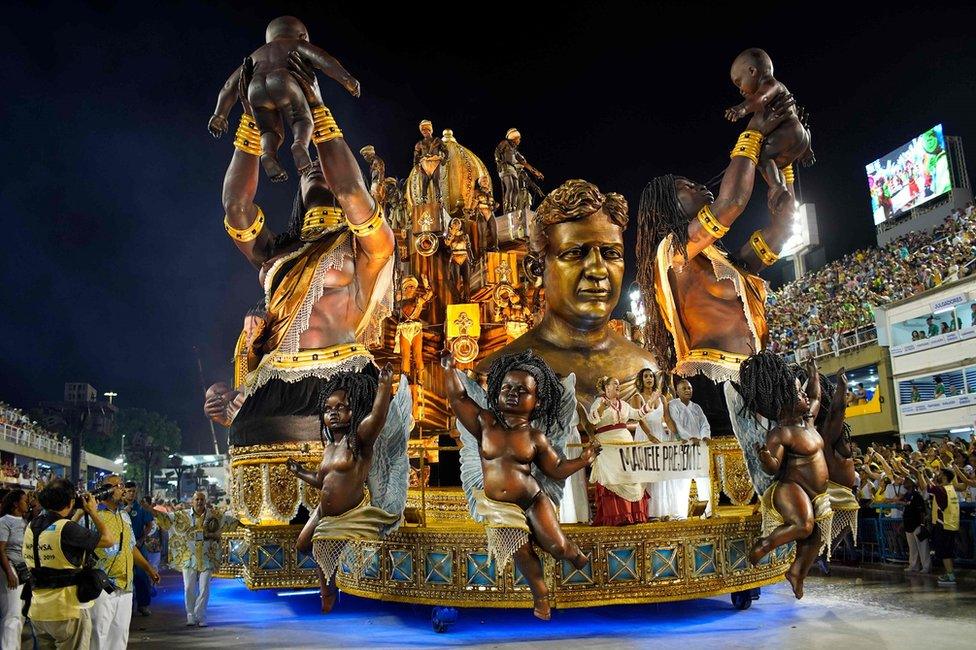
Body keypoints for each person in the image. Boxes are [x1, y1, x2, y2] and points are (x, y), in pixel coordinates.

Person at [635, 93, 797, 437]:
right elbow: (732, 202)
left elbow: (771, 243)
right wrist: (753, 130)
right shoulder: (669, 253)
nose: (697, 185)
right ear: (667, 208)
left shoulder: (718, 259)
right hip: (712, 384)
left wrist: (783, 173)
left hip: (755, 377)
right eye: (685, 186)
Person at [444, 349, 599, 621]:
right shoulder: (485, 423)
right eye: (507, 387)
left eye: (521, 390)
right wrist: (448, 369)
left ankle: (574, 554)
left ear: (537, 402)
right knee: (522, 550)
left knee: (557, 547)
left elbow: (556, 469)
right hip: (499, 507)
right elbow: (459, 397)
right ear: (496, 391)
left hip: (533, 498)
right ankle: (541, 596)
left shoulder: (535, 436)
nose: (512, 393)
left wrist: (583, 460)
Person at [477, 179, 657, 404]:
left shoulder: (644, 367)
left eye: (611, 253)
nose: (598, 270)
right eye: (574, 253)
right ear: (536, 269)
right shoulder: (498, 373)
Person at [289, 366, 411, 614]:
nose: (333, 414)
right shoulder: (330, 446)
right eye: (328, 409)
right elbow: (323, 480)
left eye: (340, 408)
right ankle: (332, 575)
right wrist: (300, 471)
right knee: (302, 545)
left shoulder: (359, 439)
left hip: (349, 512)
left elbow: (377, 417)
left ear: (353, 410)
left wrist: (384, 387)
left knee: (322, 543)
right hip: (324, 510)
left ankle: (328, 593)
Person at [208, 16, 361, 182]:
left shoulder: (256, 55)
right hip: (283, 80)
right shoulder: (297, 44)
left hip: (255, 88)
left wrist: (219, 115)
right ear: (302, 36)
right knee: (302, 119)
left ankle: (268, 154)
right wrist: (347, 80)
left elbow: (229, 85)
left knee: (268, 130)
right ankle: (300, 144)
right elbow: (325, 61)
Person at [740, 352, 830, 599]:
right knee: (803, 525)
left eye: (802, 393)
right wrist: (765, 457)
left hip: (815, 492)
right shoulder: (781, 433)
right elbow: (773, 467)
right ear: (785, 402)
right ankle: (764, 545)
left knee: (816, 536)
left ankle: (797, 573)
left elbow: (816, 396)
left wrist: (813, 374)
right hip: (791, 487)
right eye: (798, 394)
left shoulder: (808, 422)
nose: (804, 396)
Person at [24, 478, 113, 650]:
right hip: (66, 610)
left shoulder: (32, 525)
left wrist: (78, 511)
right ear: (70, 501)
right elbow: (108, 540)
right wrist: (93, 512)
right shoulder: (66, 529)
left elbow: (61, 529)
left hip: (38, 610)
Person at [724, 48, 814, 198]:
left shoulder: (771, 84)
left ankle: (777, 187)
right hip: (801, 137)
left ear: (752, 71)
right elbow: (799, 117)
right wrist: (807, 149)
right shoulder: (782, 89)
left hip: (788, 132)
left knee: (762, 158)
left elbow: (761, 99)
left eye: (739, 82)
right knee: (776, 164)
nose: (740, 90)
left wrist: (742, 108)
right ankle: (782, 186)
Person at [89, 475, 160, 649]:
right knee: (99, 636)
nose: (122, 489)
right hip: (103, 584)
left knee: (120, 635)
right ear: (106, 489)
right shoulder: (93, 515)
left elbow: (131, 547)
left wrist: (149, 569)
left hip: (125, 585)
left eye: (122, 485)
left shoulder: (124, 515)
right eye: (118, 485)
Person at [154, 491, 238, 626]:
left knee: (204, 588)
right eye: (197, 499)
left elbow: (230, 523)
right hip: (189, 557)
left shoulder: (214, 516)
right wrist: (150, 510)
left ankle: (201, 615)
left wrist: (247, 526)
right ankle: (190, 615)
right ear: (192, 502)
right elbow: (167, 519)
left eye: (201, 499)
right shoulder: (182, 516)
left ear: (205, 501)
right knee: (188, 588)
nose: (199, 502)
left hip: (207, 557)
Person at [587, 375, 649, 526]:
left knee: (631, 476)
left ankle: (633, 515)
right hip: (608, 445)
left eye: (618, 384)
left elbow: (637, 414)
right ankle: (617, 516)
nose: (618, 386)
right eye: (614, 384)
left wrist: (650, 404)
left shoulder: (624, 405)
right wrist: (602, 407)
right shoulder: (599, 402)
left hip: (626, 443)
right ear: (606, 387)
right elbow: (593, 420)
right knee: (613, 478)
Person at [631, 369, 681, 519]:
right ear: (641, 380)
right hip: (644, 437)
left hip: (660, 436)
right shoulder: (637, 397)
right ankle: (648, 512)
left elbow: (667, 419)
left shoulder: (662, 399)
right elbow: (640, 418)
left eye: (651, 376)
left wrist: (678, 434)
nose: (649, 379)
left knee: (661, 473)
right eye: (646, 376)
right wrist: (649, 435)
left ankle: (662, 511)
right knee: (647, 472)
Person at [668, 379, 712, 517]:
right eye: (684, 388)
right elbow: (676, 424)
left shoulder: (696, 407)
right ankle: (679, 514)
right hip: (683, 446)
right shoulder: (673, 405)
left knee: (703, 477)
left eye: (689, 388)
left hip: (699, 446)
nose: (688, 390)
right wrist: (688, 438)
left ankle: (708, 511)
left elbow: (704, 424)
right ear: (677, 391)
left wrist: (705, 436)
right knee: (682, 479)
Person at [919, 468, 960, 585]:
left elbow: (930, 488)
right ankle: (950, 573)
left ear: (945, 477)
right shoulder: (951, 489)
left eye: (940, 474)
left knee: (945, 553)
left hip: (944, 525)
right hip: (952, 524)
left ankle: (950, 575)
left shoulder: (941, 490)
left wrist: (923, 474)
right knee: (948, 552)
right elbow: (935, 488)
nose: (938, 475)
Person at [0, 489, 28, 648]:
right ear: (16, 504)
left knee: (20, 614)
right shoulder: (4, 521)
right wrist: (9, 573)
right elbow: (1, 550)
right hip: (9, 569)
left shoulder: (23, 521)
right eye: (24, 500)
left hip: (22, 569)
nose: (27, 503)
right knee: (12, 614)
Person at [123, 481, 155, 616]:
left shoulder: (140, 508)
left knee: (142, 576)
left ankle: (143, 605)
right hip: (122, 548)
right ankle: (126, 606)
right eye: (129, 491)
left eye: (133, 492)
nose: (131, 494)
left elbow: (149, 525)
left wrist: (142, 539)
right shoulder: (118, 507)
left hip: (138, 547)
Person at [901, 477, 930, 574]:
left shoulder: (917, 495)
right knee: (912, 547)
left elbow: (922, 511)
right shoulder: (906, 495)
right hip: (908, 524)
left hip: (917, 524)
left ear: (913, 483)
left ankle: (926, 566)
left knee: (923, 547)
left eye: (907, 481)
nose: (905, 482)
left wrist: (922, 524)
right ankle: (913, 565)